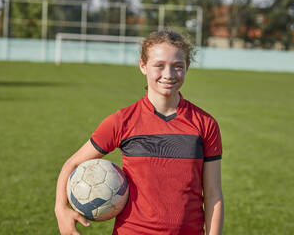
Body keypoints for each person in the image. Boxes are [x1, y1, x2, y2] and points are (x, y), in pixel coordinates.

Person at [55, 30, 224, 235]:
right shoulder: (122, 121)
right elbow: (72, 164)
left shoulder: (205, 124)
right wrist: (61, 209)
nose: (168, 74)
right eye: (159, 65)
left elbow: (213, 194)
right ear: (143, 66)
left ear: (187, 67)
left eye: (177, 66)